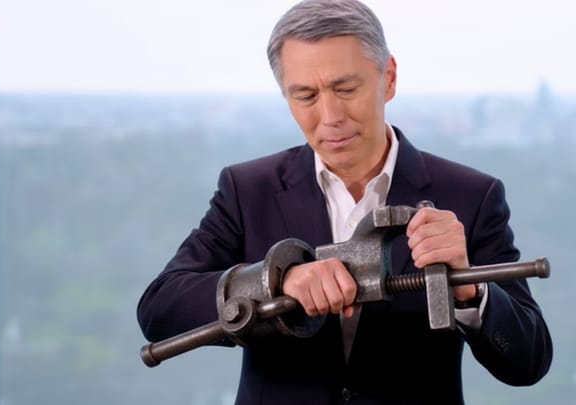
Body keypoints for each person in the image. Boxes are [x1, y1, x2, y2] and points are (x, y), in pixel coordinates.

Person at [137, 0, 552, 403]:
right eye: (306, 96)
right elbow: (160, 309)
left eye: (346, 88)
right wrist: (274, 282)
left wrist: (470, 288)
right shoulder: (247, 190)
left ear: (388, 78)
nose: (331, 115)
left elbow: (528, 362)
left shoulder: (471, 196)